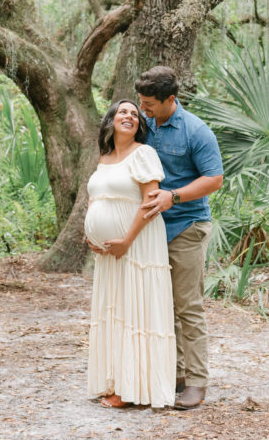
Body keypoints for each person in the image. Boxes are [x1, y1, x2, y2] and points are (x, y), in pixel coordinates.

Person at [136, 66, 224, 410]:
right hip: (152, 231)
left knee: (188, 307)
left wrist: (173, 196)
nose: (144, 109)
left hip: (187, 226)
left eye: (149, 104)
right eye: (142, 103)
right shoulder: (147, 126)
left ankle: (197, 383)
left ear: (171, 100)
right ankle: (176, 375)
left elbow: (214, 179)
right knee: (164, 307)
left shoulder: (196, 131)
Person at [83, 100, 176, 409]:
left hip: (137, 244)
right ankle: (114, 380)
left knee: (133, 309)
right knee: (113, 310)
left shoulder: (143, 153)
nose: (129, 116)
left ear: (139, 125)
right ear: (111, 121)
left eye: (135, 114)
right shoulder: (105, 157)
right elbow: (95, 198)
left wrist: (125, 239)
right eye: (122, 111)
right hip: (110, 253)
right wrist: (91, 235)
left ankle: (130, 389)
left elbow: (151, 202)